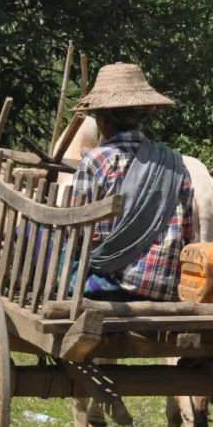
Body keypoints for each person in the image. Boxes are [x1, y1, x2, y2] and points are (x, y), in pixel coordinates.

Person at [69, 62, 194, 302]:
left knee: (37, 232)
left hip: (113, 286)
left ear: (103, 119)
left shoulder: (96, 161)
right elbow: (187, 232)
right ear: (140, 116)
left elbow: (76, 232)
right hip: (164, 289)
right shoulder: (176, 164)